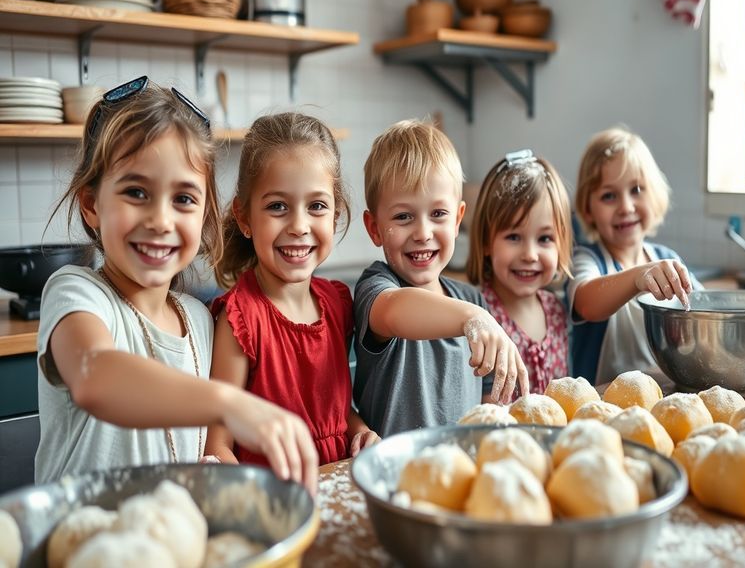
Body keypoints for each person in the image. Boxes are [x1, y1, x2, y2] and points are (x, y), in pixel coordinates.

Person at [36, 77, 318, 493]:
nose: (161, 221)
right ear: (92, 204)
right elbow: (94, 375)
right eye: (136, 191)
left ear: (204, 215)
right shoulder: (77, 293)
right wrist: (229, 402)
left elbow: (206, 454)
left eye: (183, 198)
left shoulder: (202, 322)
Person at [205, 113, 379, 467]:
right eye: (277, 207)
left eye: (316, 206)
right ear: (244, 217)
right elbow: (217, 445)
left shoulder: (338, 303)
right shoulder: (240, 320)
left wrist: (360, 430)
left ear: (335, 215)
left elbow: (335, 413)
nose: (299, 226)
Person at [353, 119, 529, 437]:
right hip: (397, 475)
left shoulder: (471, 299)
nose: (423, 233)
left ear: (458, 218)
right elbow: (395, 311)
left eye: (438, 214)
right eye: (403, 216)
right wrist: (474, 317)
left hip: (459, 472)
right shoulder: (376, 288)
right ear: (374, 228)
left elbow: (488, 399)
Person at [567, 126, 702, 385]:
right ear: (587, 210)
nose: (626, 207)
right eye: (609, 196)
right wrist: (639, 276)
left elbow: (703, 309)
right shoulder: (588, 259)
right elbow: (586, 302)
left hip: (663, 396)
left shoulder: (667, 259)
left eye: (637, 190)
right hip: (601, 404)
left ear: (655, 196)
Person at [466, 149, 573, 395]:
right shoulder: (479, 317)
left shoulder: (558, 310)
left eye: (545, 238)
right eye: (513, 236)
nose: (530, 254)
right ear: (485, 241)